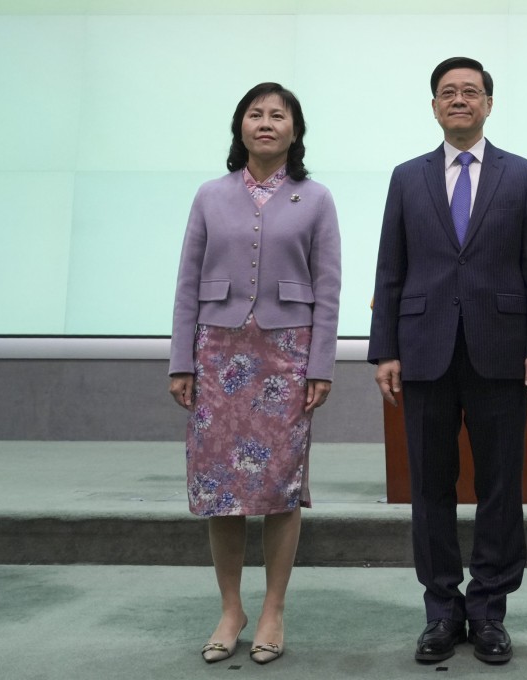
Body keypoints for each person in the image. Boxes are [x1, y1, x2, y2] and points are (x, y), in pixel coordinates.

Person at [368, 56, 527, 665]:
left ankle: (490, 611)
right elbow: (390, 269)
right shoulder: (406, 177)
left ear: (488, 104)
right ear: (433, 106)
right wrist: (384, 349)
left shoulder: (521, 175)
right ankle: (442, 611)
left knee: (501, 486)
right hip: (423, 351)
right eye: (448, 92)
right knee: (431, 487)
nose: (459, 100)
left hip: (500, 350)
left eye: (470, 92)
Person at [168, 82, 341, 665]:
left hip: (286, 356)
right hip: (217, 354)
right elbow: (187, 284)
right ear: (239, 126)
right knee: (222, 489)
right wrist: (181, 361)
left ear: (295, 130)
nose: (265, 123)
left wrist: (321, 365)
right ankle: (230, 607)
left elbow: (329, 289)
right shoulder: (209, 195)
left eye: (278, 115)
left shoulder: (315, 198)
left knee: (280, 487)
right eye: (254, 114)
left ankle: (272, 608)